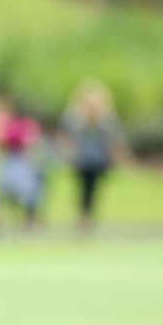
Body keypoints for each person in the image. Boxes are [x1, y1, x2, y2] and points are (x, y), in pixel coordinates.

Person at [59, 78, 125, 230]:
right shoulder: (75, 115)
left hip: (98, 159)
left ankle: (87, 217)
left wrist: (116, 156)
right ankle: (82, 217)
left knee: (93, 189)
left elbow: (112, 138)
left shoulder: (106, 117)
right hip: (81, 159)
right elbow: (67, 134)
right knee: (81, 188)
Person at [0, 101, 47, 230]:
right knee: (6, 192)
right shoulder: (7, 123)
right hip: (10, 159)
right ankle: (4, 222)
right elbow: (0, 141)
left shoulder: (27, 125)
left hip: (23, 160)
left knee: (29, 192)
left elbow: (32, 143)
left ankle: (28, 222)